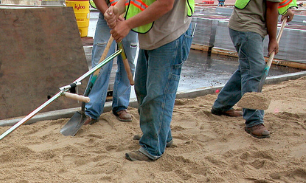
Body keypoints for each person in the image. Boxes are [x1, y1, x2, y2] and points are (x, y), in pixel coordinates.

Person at [104, 0, 195, 161]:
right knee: (142, 89)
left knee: (158, 94)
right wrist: (117, 9)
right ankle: (160, 134)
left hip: (171, 34)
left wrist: (127, 25)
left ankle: (153, 146)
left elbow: (165, 4)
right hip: (152, 35)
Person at [210, 0, 296, 138]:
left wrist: (288, 8)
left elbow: (279, 3)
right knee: (255, 70)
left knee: (248, 68)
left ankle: (222, 105)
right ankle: (253, 121)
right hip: (247, 25)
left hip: (247, 24)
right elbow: (271, 7)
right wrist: (273, 39)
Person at [84, 0, 138, 126]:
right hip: (107, 15)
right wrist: (109, 15)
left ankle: (121, 106)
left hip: (132, 16)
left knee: (128, 64)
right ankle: (92, 109)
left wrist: (126, 20)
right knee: (101, 64)